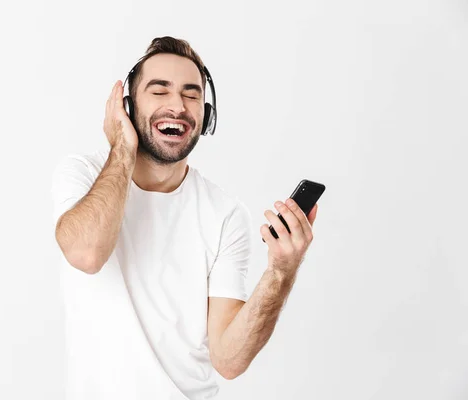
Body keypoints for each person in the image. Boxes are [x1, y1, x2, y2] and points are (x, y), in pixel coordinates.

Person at [51, 36, 318, 400]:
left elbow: (228, 360)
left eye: (192, 94)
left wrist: (281, 272)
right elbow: (86, 253)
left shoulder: (225, 214)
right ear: (127, 108)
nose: (177, 105)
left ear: (206, 115)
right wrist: (124, 146)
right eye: (159, 92)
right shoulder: (82, 174)